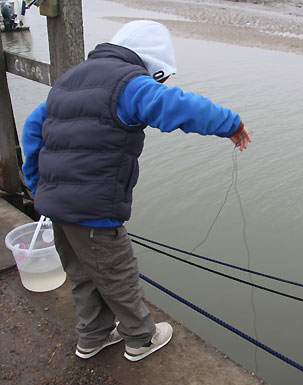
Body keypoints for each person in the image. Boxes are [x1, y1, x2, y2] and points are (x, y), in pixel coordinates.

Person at [21, 20, 251, 362]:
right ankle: (141, 338)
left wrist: (38, 185)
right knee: (117, 273)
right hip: (94, 209)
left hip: (55, 205)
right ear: (151, 65)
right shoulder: (128, 84)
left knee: (83, 274)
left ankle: (93, 337)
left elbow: (32, 129)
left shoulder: (69, 80)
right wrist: (230, 123)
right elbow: (178, 105)